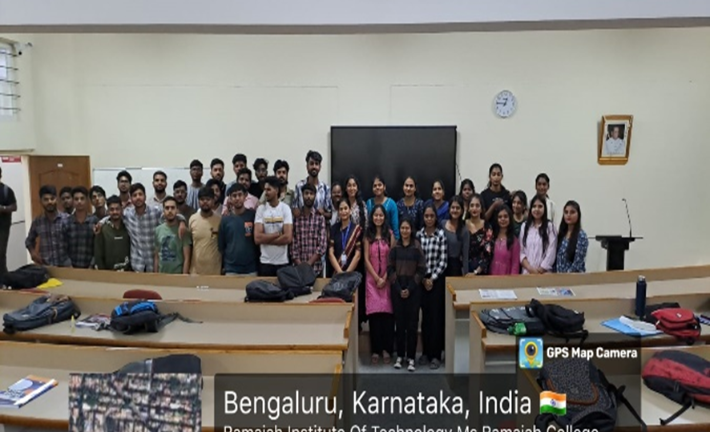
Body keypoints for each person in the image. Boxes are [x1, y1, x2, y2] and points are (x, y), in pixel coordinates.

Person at [106, 183, 187, 273]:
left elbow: (171, 213)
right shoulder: (127, 214)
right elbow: (112, 215)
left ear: (145, 196)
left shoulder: (156, 212)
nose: (138, 197)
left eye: (140, 194)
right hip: (137, 264)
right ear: (131, 199)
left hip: (153, 264)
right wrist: (100, 223)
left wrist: (182, 221)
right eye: (134, 195)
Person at [387, 218, 426, 372]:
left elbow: (421, 269)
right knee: (400, 324)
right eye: (402, 228)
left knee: (412, 325)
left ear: (411, 230)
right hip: (397, 289)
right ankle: (400, 355)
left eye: (407, 228)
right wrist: (398, 288)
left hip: (414, 291)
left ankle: (411, 357)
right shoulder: (395, 247)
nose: (404, 231)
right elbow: (390, 269)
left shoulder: (416, 247)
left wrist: (410, 288)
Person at [364, 204, 396, 365]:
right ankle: (376, 350)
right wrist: (376, 278)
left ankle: (387, 349)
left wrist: (384, 277)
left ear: (385, 217)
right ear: (372, 217)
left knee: (387, 316)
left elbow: (392, 259)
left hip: (387, 279)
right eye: (375, 215)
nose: (378, 218)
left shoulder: (390, 235)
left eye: (381, 215)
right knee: (375, 317)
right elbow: (366, 258)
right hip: (372, 281)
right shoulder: (367, 235)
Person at [416, 204, 448, 369]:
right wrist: (423, 279)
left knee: (436, 318)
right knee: (425, 318)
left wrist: (432, 279)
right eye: (426, 216)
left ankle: (436, 355)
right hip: (421, 281)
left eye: (431, 216)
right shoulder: (418, 235)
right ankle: (426, 352)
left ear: (436, 218)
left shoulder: (441, 235)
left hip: (436, 281)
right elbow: (416, 258)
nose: (429, 219)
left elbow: (443, 261)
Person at [255, 176, 294, 276]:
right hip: (265, 262)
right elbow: (257, 238)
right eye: (265, 190)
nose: (266, 193)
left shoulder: (285, 209)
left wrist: (266, 239)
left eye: (268, 189)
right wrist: (276, 235)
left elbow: (288, 238)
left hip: (282, 262)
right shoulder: (261, 209)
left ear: (276, 190)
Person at [218, 183, 258, 276]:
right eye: (234, 196)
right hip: (231, 268)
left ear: (245, 196)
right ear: (229, 199)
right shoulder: (225, 220)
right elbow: (221, 246)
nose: (237, 198)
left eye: (240, 195)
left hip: (251, 268)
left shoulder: (253, 215)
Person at [26, 185, 71, 267]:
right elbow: (29, 241)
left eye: (52, 198)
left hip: (65, 266)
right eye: (46, 199)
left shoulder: (67, 219)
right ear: (41, 201)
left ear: (56, 199)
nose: (49, 202)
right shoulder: (37, 221)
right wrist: (33, 253)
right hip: (46, 266)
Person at [291, 183, 328, 276]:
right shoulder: (296, 218)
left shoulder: (320, 218)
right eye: (306, 193)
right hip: (298, 270)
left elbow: (322, 246)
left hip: (316, 270)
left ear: (315, 196)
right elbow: (293, 245)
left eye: (311, 194)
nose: (308, 196)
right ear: (302, 195)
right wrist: (301, 265)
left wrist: (308, 264)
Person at [520, 195, 557, 274]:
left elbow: (551, 251)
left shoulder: (550, 227)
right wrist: (530, 268)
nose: (537, 209)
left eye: (540, 206)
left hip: (544, 273)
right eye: (534, 206)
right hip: (527, 272)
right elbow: (521, 251)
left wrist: (541, 269)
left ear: (545, 208)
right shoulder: (525, 226)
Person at [154, 196, 192, 274]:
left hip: (177, 275)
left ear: (177, 210)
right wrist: (155, 275)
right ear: (163, 210)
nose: (170, 211)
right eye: (167, 208)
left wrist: (184, 277)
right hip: (161, 274)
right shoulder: (158, 230)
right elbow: (156, 257)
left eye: (172, 208)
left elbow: (187, 259)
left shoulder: (183, 230)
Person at [189, 187, 222, 275]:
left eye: (208, 199)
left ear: (213, 200)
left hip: (215, 272)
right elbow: (189, 245)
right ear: (198, 201)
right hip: (195, 272)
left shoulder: (219, 220)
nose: (205, 202)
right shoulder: (192, 219)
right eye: (202, 199)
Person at [94, 195, 131, 271]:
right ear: (108, 211)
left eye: (117, 209)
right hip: (108, 273)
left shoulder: (128, 227)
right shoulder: (102, 230)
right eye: (112, 209)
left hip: (127, 271)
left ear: (122, 209)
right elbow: (98, 255)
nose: (115, 212)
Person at [293, 150, 332, 220]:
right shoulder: (299, 186)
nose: (314, 166)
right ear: (307, 166)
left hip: (321, 225)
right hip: (303, 225)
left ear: (320, 167)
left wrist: (323, 213)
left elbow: (329, 214)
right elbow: (295, 210)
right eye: (311, 163)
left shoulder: (326, 188)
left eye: (316, 164)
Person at [66, 186, 99, 269]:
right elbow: (63, 246)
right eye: (76, 199)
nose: (79, 202)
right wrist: (69, 265)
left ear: (87, 200)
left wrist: (92, 265)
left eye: (82, 198)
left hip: (90, 268)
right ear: (72, 201)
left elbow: (97, 246)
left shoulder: (94, 220)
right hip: (70, 267)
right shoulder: (67, 222)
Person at [328, 199, 362, 275]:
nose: (343, 211)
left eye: (346, 208)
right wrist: (340, 273)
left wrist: (346, 274)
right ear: (338, 212)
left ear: (350, 210)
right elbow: (330, 254)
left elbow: (358, 255)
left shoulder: (356, 229)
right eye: (341, 209)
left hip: (352, 274)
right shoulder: (334, 229)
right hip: (337, 273)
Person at [556, 200, 588, 273]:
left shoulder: (581, 236)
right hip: (558, 276)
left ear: (578, 215)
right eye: (566, 212)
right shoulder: (561, 234)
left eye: (572, 212)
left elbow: (578, 263)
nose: (568, 215)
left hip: (574, 277)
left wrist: (567, 277)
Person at [466, 194, 493, 276]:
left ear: (481, 209)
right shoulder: (462, 225)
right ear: (468, 208)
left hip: (481, 272)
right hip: (463, 270)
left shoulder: (487, 227)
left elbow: (488, 253)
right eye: (472, 205)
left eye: (477, 206)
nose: (474, 208)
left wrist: (476, 272)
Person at [442, 196, 469, 276]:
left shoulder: (464, 231)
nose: (455, 210)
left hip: (455, 268)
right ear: (449, 209)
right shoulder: (442, 224)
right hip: (441, 266)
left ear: (462, 211)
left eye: (458, 208)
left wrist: (466, 273)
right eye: (453, 207)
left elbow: (465, 255)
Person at [490, 205, 521, 275]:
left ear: (510, 218)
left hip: (507, 278)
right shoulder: (492, 237)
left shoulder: (514, 241)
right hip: (491, 277)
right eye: (500, 217)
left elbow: (515, 265)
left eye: (505, 216)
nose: (503, 219)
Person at [0, 167, 17, 275]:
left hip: (2, 227)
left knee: (1, 253)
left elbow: (14, 207)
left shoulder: (6, 190)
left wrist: (3, 209)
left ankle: (3, 277)